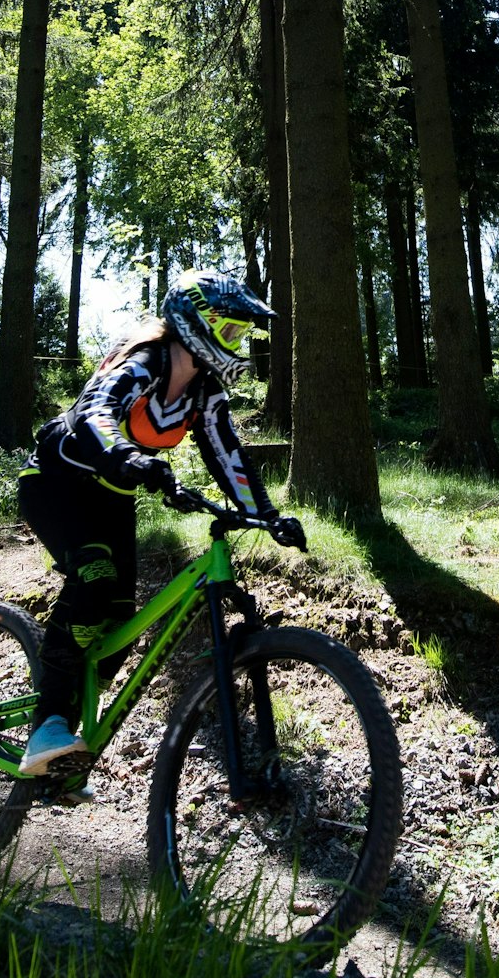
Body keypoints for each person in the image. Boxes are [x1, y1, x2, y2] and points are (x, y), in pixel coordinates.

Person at [17, 270, 304, 777]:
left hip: (111, 498)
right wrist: (133, 457)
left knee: (122, 622)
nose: (237, 343)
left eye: (241, 334)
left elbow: (226, 454)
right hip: (56, 483)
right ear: (198, 324)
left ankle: (62, 755)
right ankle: (47, 723)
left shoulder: (204, 391)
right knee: (94, 579)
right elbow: (94, 416)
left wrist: (266, 515)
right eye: (232, 331)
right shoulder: (143, 362)